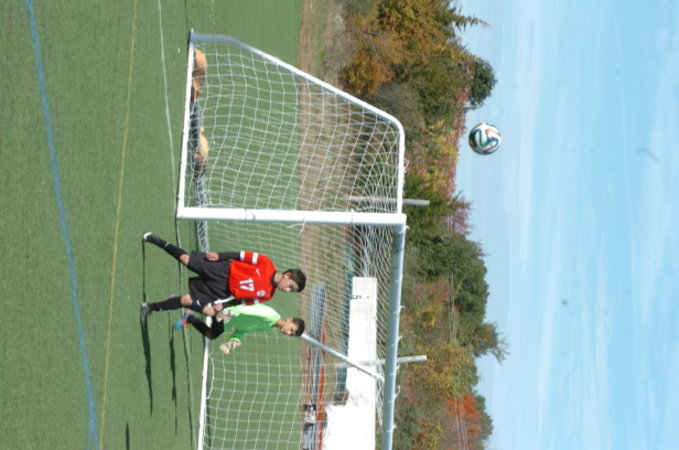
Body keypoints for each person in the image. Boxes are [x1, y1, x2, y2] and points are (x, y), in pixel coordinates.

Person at [140, 232, 306, 321]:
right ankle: (157, 240)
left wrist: (224, 306)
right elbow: (240, 255)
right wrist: (220, 256)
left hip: (221, 290)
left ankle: (150, 307)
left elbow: (242, 301)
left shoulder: (268, 295)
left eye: (291, 291)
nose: (287, 290)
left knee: (186, 300)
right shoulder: (266, 263)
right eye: (290, 286)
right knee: (185, 260)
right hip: (223, 270)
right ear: (287, 275)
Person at [174, 303, 305, 355]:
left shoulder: (270, 326)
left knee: (210, 334)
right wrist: (230, 312)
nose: (288, 333)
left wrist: (235, 340)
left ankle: (189, 317)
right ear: (289, 320)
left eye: (291, 334)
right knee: (206, 309)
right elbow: (248, 309)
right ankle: (175, 301)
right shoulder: (271, 315)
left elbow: (245, 328)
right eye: (291, 329)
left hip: (228, 322)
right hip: (229, 312)